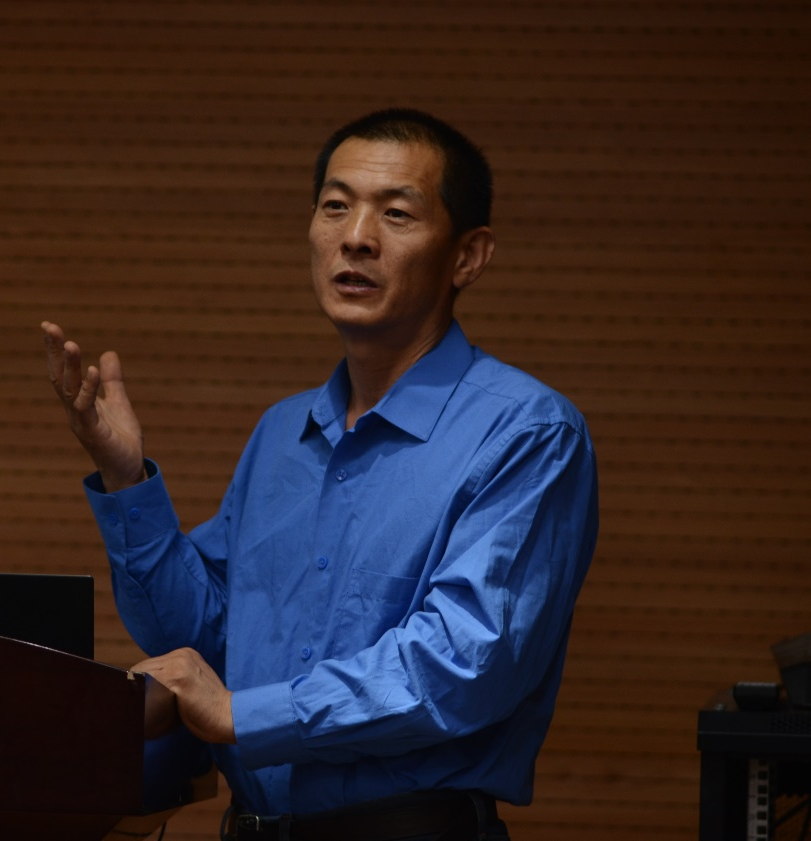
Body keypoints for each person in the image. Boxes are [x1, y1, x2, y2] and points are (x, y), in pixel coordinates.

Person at [42, 108, 598, 841]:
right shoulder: (282, 433)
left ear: (468, 256)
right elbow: (203, 637)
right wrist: (126, 480)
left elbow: (465, 665)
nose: (356, 236)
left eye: (396, 213)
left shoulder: (526, 430)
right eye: (336, 206)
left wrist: (242, 714)